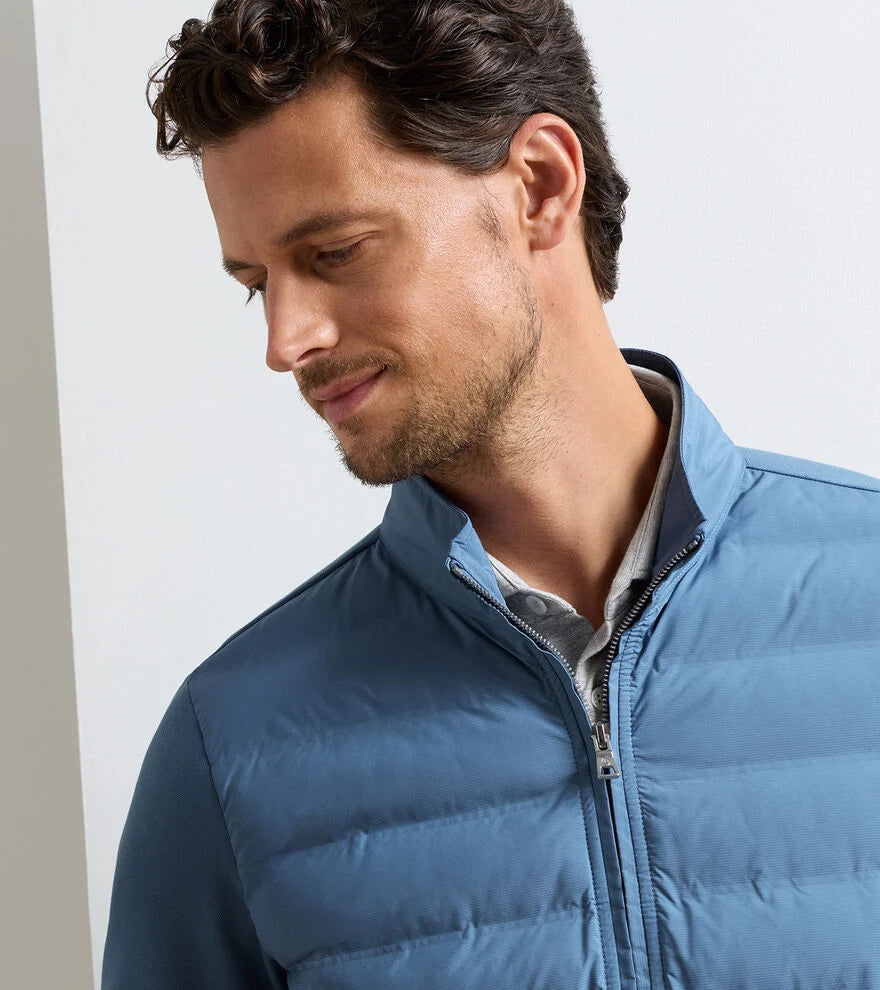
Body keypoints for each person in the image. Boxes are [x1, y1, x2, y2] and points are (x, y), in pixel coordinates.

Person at [102, 2, 880, 987]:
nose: (285, 341)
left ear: (540, 187)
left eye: (335, 252)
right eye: (259, 283)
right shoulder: (233, 744)